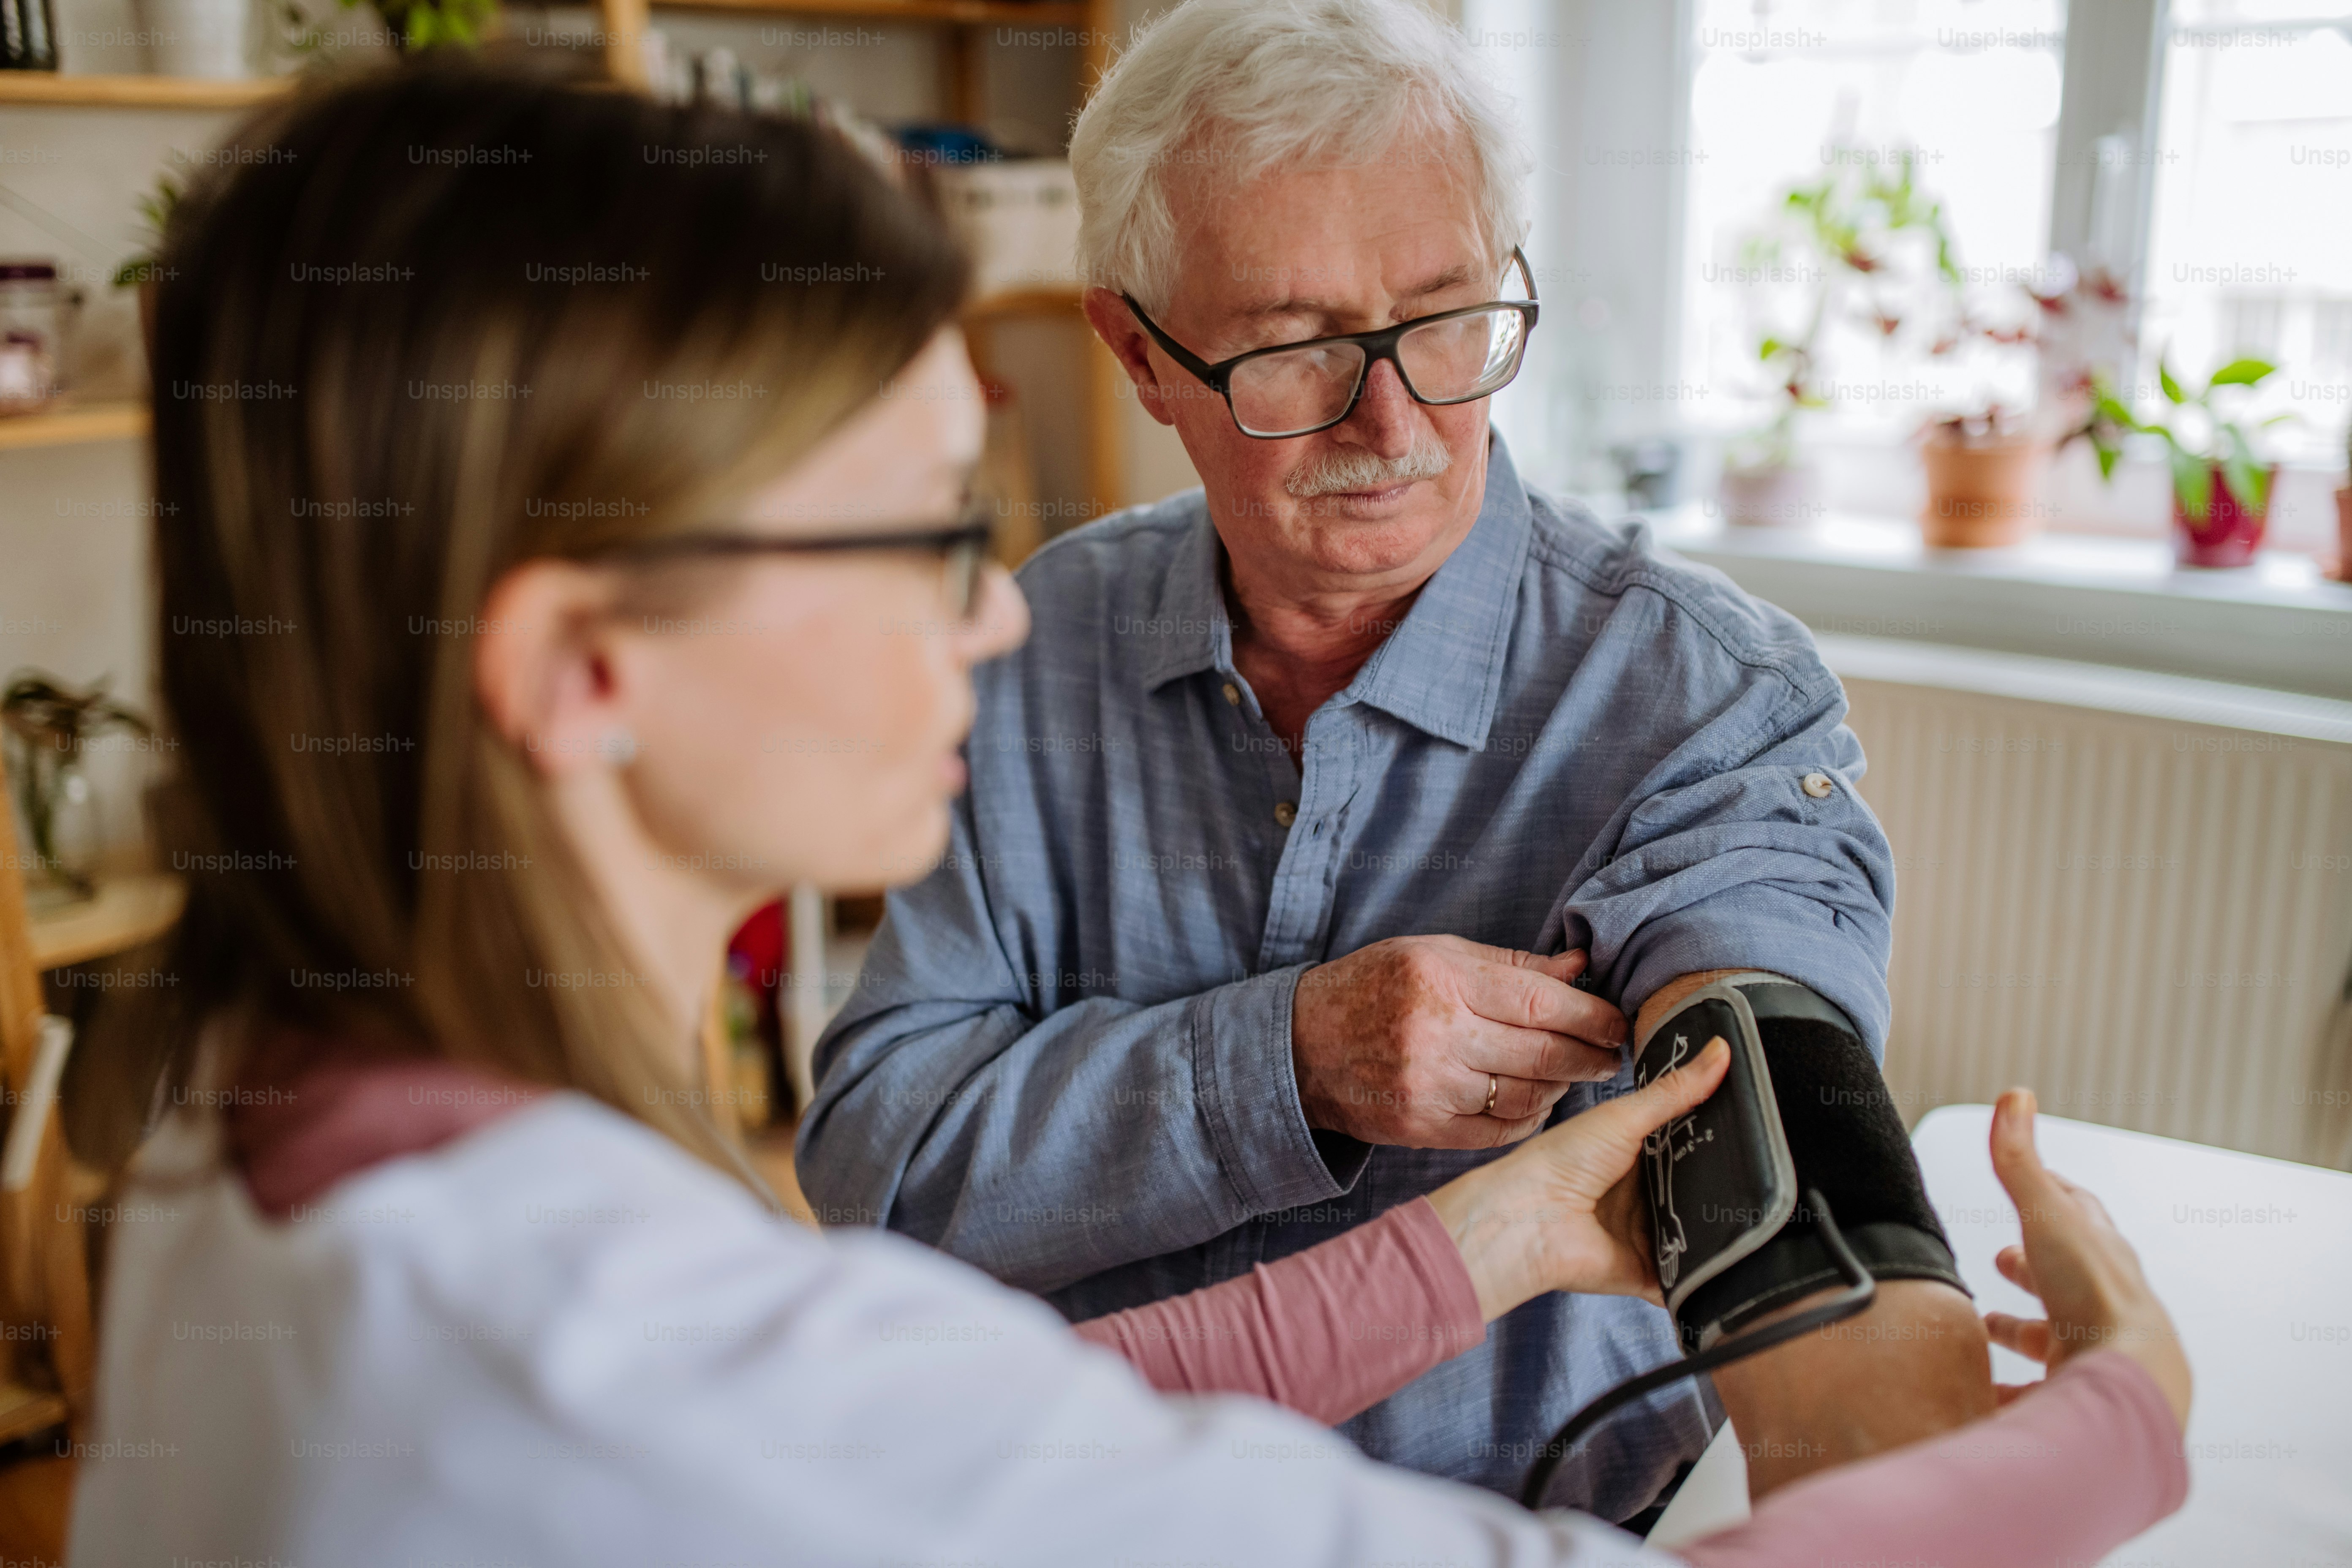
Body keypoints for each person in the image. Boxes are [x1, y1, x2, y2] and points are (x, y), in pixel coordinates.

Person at [68, 63, 2188, 1568]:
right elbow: (892, 1262)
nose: (997, 614)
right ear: (1149, 359)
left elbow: (1790, 1210)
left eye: (1452, 322)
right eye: (919, 533)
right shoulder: (648, 1373)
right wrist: (2124, 1418)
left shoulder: (219, 1149)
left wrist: (1497, 1240)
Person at [802, 0, 1983, 1516]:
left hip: (1519, 1529)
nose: (1395, 417)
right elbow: (877, 1176)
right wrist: (1286, 1062)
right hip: (1085, 1510)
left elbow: (1773, 1095)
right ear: (1140, 357)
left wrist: (1904, 1387)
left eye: (1445, 318)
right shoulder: (1019, 654)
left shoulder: (1695, 692)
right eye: (1294, 348)